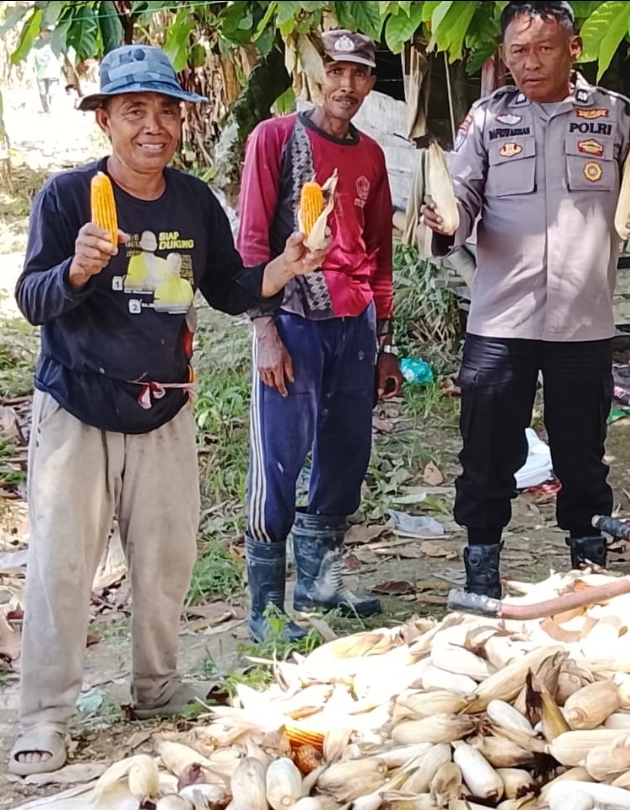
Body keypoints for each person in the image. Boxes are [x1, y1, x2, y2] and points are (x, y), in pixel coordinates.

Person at [8, 44, 331, 776]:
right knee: (62, 568)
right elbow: (32, 300)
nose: (152, 127)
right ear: (106, 123)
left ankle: (156, 688)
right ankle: (44, 716)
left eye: (165, 112)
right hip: (77, 406)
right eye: (134, 112)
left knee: (165, 560)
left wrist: (286, 265)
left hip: (163, 407)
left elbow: (227, 288)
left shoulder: (191, 202)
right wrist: (77, 269)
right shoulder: (65, 198)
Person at [422, 0, 630, 598]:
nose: (529, 64)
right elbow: (459, 202)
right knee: (486, 450)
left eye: (542, 49)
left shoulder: (618, 116)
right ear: (504, 55)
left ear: (574, 48)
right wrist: (444, 221)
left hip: (582, 323)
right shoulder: (486, 120)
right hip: (499, 321)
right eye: (517, 52)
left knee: (583, 453)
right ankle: (481, 567)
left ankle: (588, 564)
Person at [236, 29, 402, 643]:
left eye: (359, 74)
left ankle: (320, 584)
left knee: (345, 456)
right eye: (335, 70)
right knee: (279, 460)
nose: (347, 86)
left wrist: (384, 342)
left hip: (353, 324)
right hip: (294, 321)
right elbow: (253, 241)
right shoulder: (276, 138)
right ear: (316, 73)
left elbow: (379, 254)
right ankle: (265, 607)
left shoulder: (372, 156)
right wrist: (264, 331)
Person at [31, 29, 62, 113]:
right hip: (41, 73)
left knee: (52, 93)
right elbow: (31, 56)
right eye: (43, 31)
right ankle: (46, 110)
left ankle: (51, 108)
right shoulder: (35, 44)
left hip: (54, 72)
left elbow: (62, 53)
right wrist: (31, 68)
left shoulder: (56, 42)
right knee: (43, 92)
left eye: (47, 32)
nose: (45, 34)